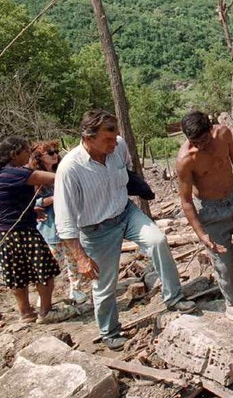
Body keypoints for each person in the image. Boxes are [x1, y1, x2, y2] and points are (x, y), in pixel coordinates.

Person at [54, 110, 196, 350]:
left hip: (126, 212)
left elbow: (127, 170)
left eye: (115, 137)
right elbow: (64, 219)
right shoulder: (70, 169)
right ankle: (110, 332)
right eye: (107, 139)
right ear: (87, 138)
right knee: (104, 283)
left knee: (158, 240)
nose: (114, 143)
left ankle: (174, 297)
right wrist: (80, 258)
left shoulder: (118, 146)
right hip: (96, 229)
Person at [176, 110, 233, 322]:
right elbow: (186, 201)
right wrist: (201, 234)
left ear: (211, 129)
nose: (200, 145)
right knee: (224, 266)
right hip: (211, 212)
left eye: (204, 139)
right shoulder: (186, 160)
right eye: (194, 141)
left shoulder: (223, 134)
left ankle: (232, 270)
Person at [0, 136, 74, 324]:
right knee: (45, 270)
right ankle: (46, 312)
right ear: (14, 153)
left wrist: (32, 209)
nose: (29, 155)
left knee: (17, 274)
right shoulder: (17, 173)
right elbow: (57, 178)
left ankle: (25, 313)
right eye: (26, 151)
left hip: (5, 232)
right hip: (23, 231)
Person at [29, 141, 88, 304]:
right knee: (52, 264)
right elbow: (32, 203)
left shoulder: (62, 172)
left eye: (56, 151)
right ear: (39, 158)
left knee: (74, 261)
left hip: (70, 225)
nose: (55, 154)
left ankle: (75, 290)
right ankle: (45, 298)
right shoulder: (34, 178)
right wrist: (52, 199)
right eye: (50, 153)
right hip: (50, 228)